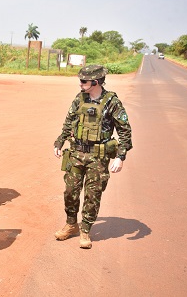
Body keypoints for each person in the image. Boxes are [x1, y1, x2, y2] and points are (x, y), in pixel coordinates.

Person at [53, 65, 132, 249]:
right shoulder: (79, 98)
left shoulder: (112, 102)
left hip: (98, 157)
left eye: (84, 81)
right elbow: (69, 122)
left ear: (95, 82)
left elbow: (125, 131)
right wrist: (59, 141)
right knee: (70, 191)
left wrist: (120, 156)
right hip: (76, 153)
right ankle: (71, 224)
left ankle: (85, 230)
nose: (80, 84)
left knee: (92, 195)